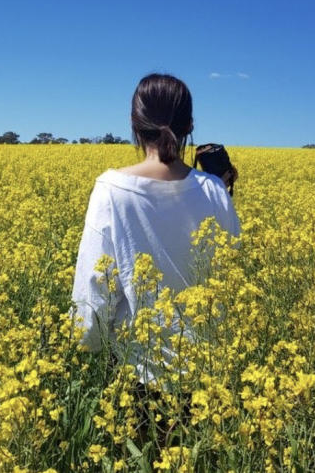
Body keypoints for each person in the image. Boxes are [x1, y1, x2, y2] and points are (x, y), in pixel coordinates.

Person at [69, 73, 241, 442]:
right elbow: (231, 274)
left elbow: (94, 288)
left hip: (139, 374)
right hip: (209, 375)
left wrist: (90, 343)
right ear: (190, 126)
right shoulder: (214, 190)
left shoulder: (111, 191)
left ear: (134, 124)